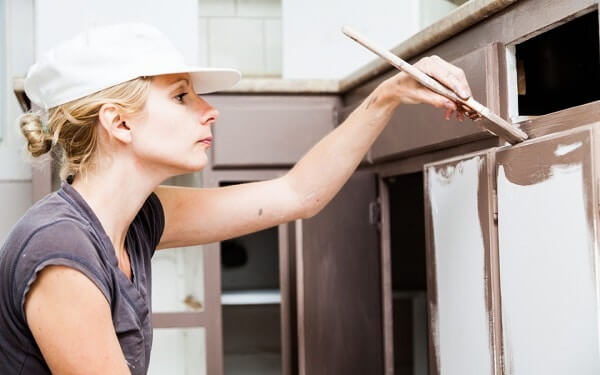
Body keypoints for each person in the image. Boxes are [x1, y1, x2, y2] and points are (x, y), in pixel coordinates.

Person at [0, 23, 471, 375]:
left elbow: (298, 194)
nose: (210, 110)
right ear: (119, 123)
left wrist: (389, 94)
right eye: (182, 97)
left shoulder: (137, 218)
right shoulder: (61, 252)